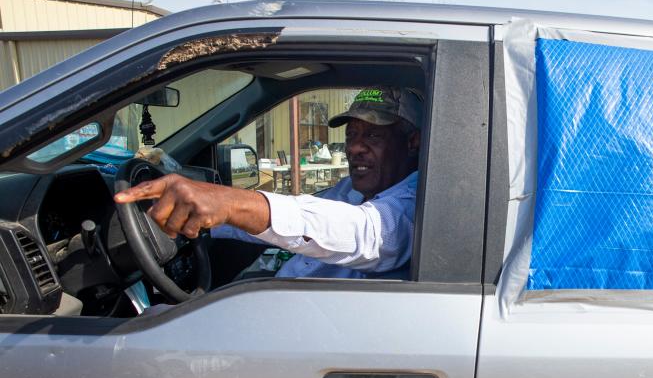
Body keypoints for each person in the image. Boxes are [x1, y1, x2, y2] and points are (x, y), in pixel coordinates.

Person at [114, 86, 422, 279]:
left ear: (413, 142)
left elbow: (363, 232)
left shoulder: (416, 203)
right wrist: (210, 217)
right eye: (351, 134)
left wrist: (230, 203)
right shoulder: (353, 190)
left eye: (374, 135)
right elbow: (302, 213)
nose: (354, 147)